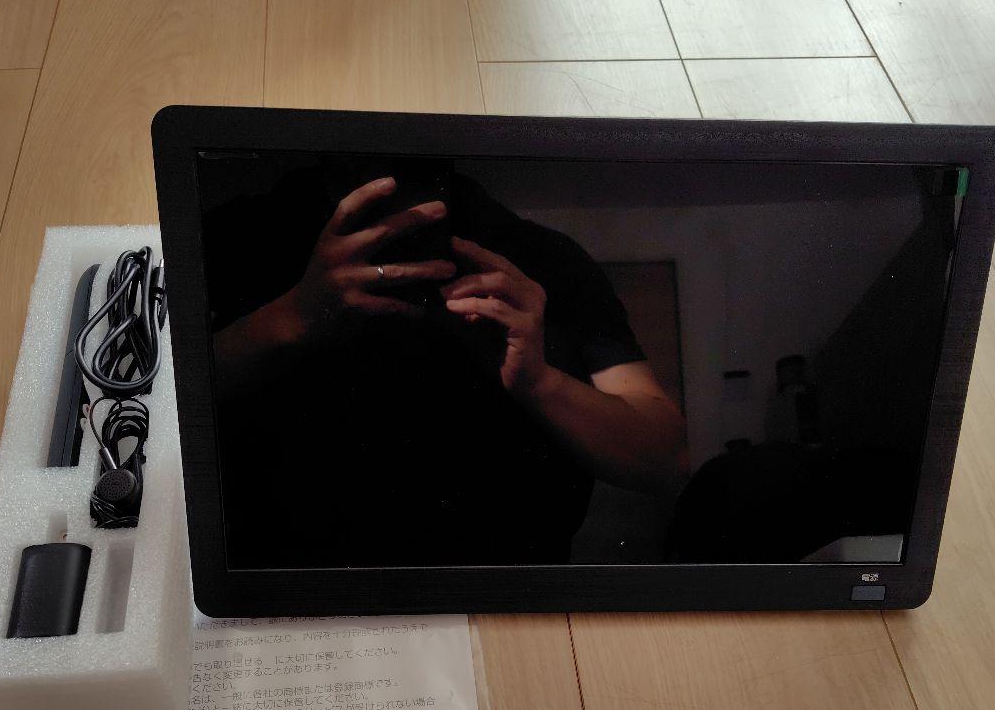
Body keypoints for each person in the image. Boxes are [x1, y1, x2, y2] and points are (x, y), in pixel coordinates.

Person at [209, 169, 684, 566]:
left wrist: (539, 380)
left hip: (511, 600)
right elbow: (164, 413)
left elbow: (664, 457)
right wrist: (291, 317)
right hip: (280, 597)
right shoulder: (233, 238)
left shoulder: (541, 258)